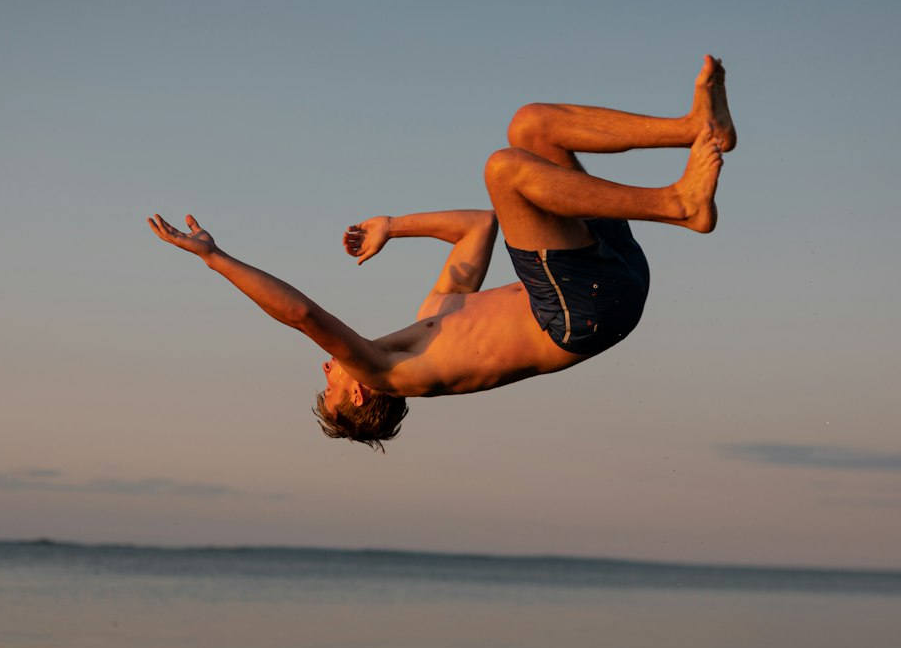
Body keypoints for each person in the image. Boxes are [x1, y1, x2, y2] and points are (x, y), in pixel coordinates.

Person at [148, 55, 734, 450]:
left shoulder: (431, 329)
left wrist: (392, 225)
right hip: (581, 313)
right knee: (504, 169)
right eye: (330, 380)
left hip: (605, 286)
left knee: (530, 127)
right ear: (356, 391)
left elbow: (478, 228)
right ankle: (676, 205)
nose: (328, 366)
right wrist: (214, 258)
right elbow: (301, 315)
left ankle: (690, 128)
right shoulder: (386, 371)